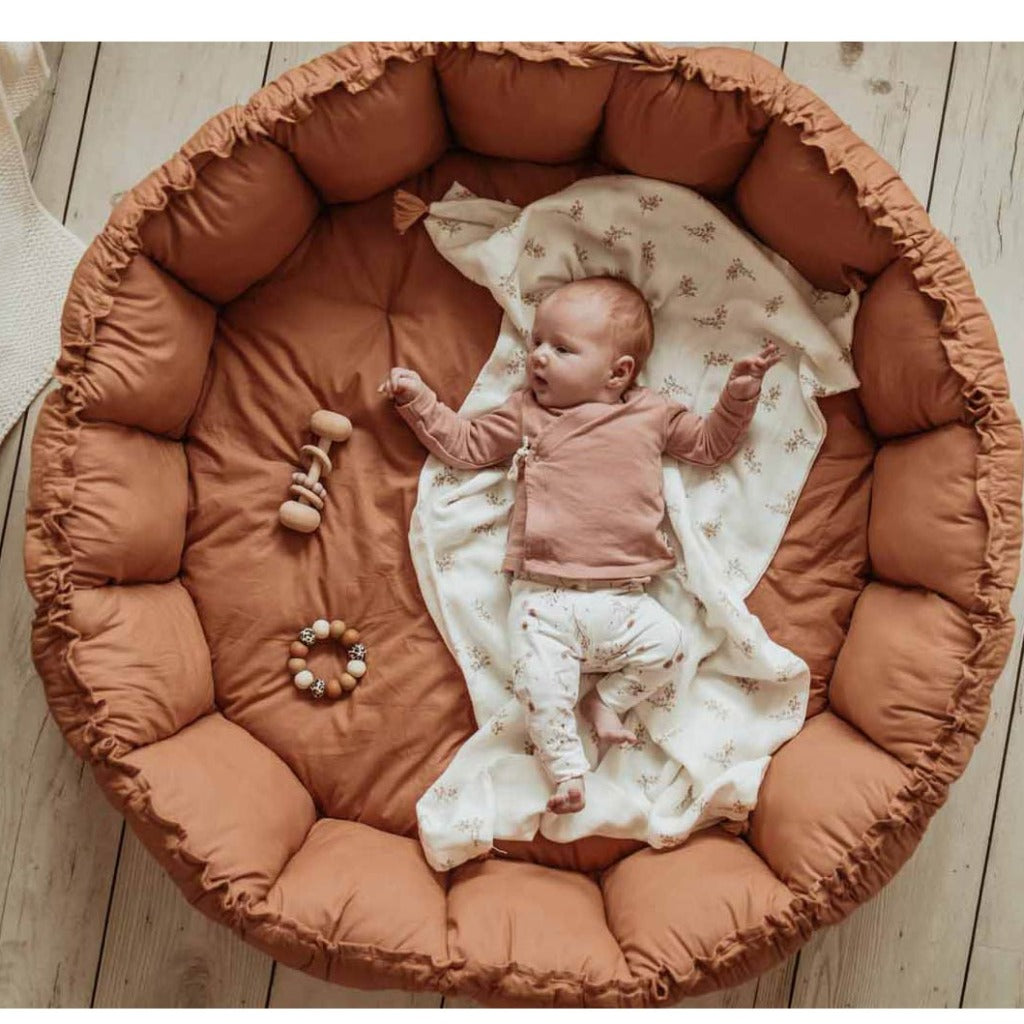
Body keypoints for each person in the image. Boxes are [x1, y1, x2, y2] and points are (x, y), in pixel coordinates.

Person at [370, 276, 781, 814]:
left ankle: (606, 701)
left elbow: (709, 445)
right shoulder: (527, 413)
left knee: (671, 645)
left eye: (561, 349)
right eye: (536, 342)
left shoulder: (651, 414)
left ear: (618, 372)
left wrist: (739, 393)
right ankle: (566, 771)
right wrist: (418, 399)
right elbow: (466, 445)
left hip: (625, 597)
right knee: (540, 683)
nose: (538, 356)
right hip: (543, 596)